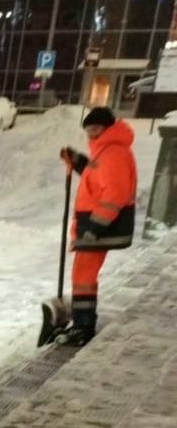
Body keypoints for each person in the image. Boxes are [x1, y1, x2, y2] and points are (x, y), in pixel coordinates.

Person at [59, 107, 138, 345]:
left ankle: (83, 327)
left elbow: (115, 194)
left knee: (83, 276)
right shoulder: (106, 149)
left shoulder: (113, 152)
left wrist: (95, 227)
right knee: (83, 274)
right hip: (94, 225)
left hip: (99, 227)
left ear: (108, 128)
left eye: (96, 129)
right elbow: (96, 177)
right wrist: (78, 161)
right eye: (89, 130)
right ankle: (81, 322)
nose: (91, 134)